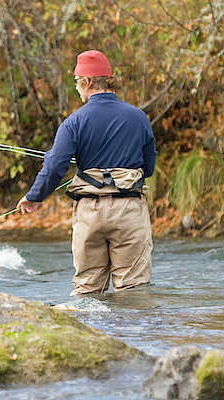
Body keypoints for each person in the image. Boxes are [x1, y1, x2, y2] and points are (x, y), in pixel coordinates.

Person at [17, 50, 157, 295]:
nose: (76, 89)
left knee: (88, 290)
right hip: (129, 209)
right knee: (133, 291)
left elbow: (55, 167)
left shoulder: (73, 121)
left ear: (88, 82)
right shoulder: (138, 117)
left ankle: (91, 332)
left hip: (89, 212)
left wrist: (34, 197)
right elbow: (148, 167)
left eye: (76, 82)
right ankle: (133, 334)